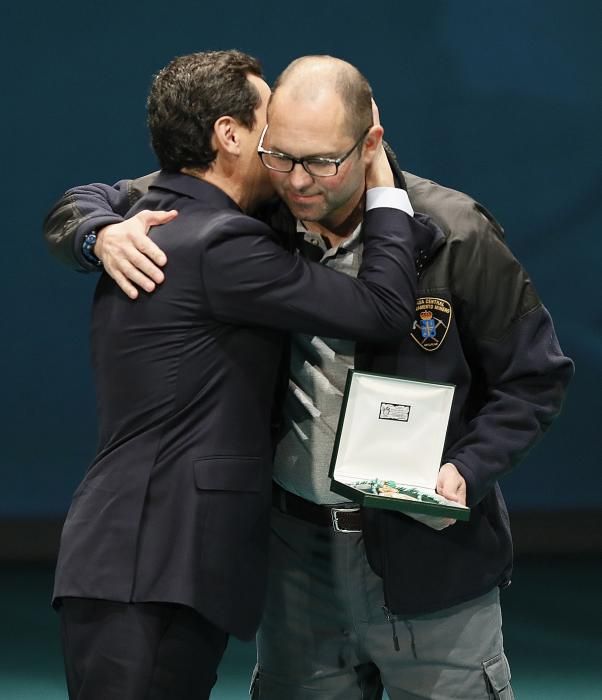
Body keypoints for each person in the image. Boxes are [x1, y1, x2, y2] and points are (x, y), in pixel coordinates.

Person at [44, 55, 574, 700]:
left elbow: (534, 379)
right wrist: (97, 235)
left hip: (427, 557)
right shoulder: (256, 214)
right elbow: (94, 198)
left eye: (322, 161)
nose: (298, 181)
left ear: (370, 144)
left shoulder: (456, 232)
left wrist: (472, 465)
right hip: (296, 559)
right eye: (281, 156)